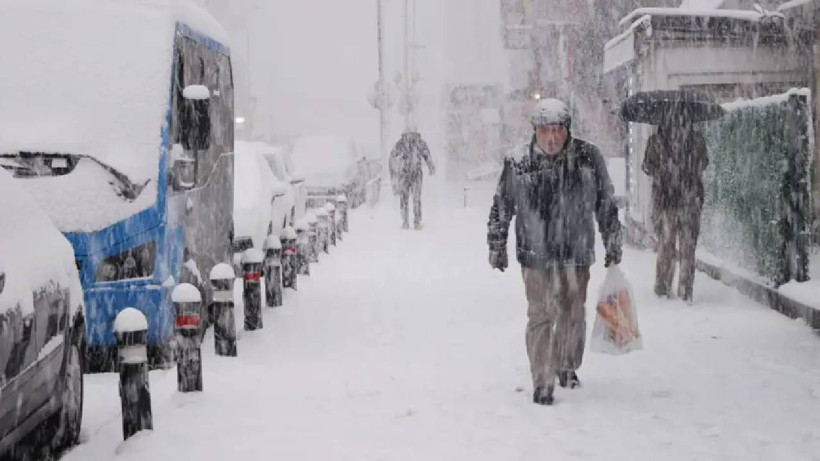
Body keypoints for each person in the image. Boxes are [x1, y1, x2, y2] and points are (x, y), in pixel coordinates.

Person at [487, 98, 622, 405]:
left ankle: (566, 365)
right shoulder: (518, 161)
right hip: (535, 254)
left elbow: (606, 203)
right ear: (534, 131)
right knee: (540, 315)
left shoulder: (588, 158)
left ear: (567, 130)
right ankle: (543, 379)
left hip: (576, 251)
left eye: (558, 130)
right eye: (545, 130)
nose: (551, 138)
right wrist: (497, 243)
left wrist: (612, 239)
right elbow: (502, 205)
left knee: (572, 313)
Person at [642, 114, 708, 303]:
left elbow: (646, 167)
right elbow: (704, 164)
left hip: (666, 201)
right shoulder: (696, 140)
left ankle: (663, 286)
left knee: (666, 245)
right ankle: (685, 290)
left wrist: (663, 172)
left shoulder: (656, 140)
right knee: (688, 249)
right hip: (690, 200)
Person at [389, 129, 435, 229]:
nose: (411, 136)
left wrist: (431, 166)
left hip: (409, 174)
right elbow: (392, 157)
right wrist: (431, 166)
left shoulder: (405, 143)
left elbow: (392, 158)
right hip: (408, 174)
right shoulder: (410, 143)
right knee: (411, 198)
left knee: (411, 199)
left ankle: (411, 222)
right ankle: (411, 222)